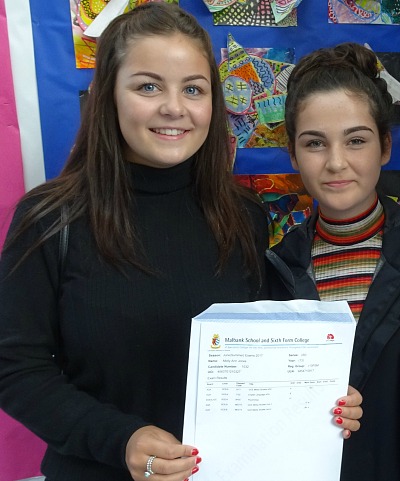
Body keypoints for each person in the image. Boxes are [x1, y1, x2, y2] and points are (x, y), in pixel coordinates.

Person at [0, 4, 360, 481]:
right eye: (148, 86)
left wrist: (323, 398)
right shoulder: (51, 218)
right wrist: (121, 440)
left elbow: (265, 355)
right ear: (109, 94)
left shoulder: (243, 216)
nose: (174, 107)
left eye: (193, 89)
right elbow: (14, 368)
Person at [266, 42, 400, 481]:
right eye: (315, 143)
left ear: (384, 147)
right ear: (292, 155)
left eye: (356, 140)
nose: (336, 162)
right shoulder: (271, 273)